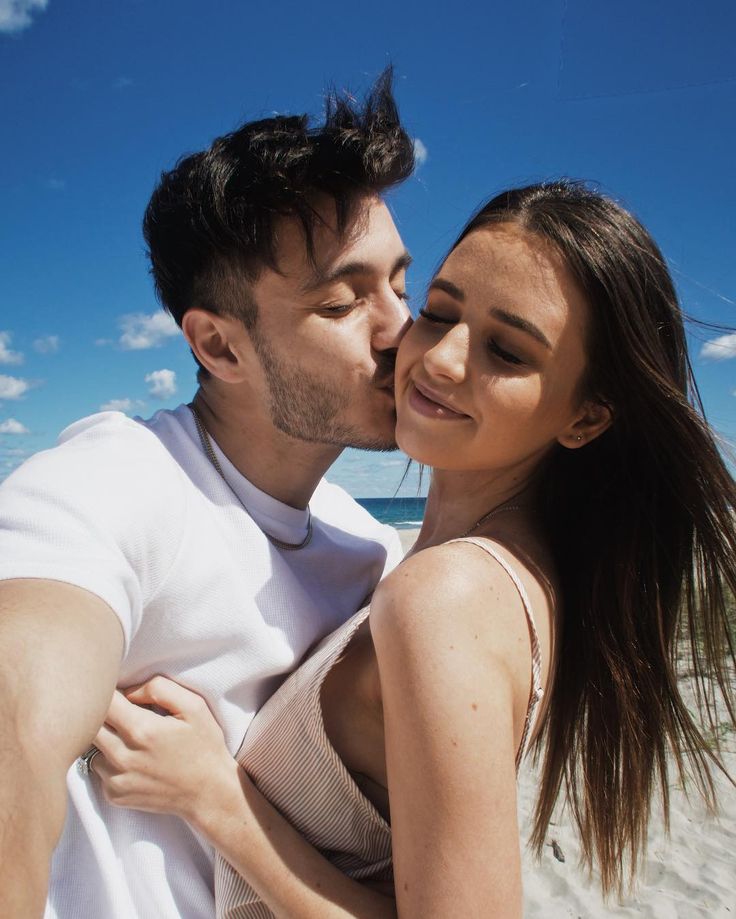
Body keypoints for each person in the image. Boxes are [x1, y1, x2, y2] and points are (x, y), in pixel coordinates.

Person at [88, 181, 735, 917]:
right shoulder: (495, 577)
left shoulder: (448, 596)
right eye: (440, 311)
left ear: (585, 417)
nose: (439, 358)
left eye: (507, 351)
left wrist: (217, 799)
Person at [0, 71, 416, 919]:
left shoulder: (373, 549)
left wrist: (222, 799)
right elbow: (15, 722)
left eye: (400, 285)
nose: (399, 331)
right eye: (343, 301)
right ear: (219, 347)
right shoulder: (118, 479)